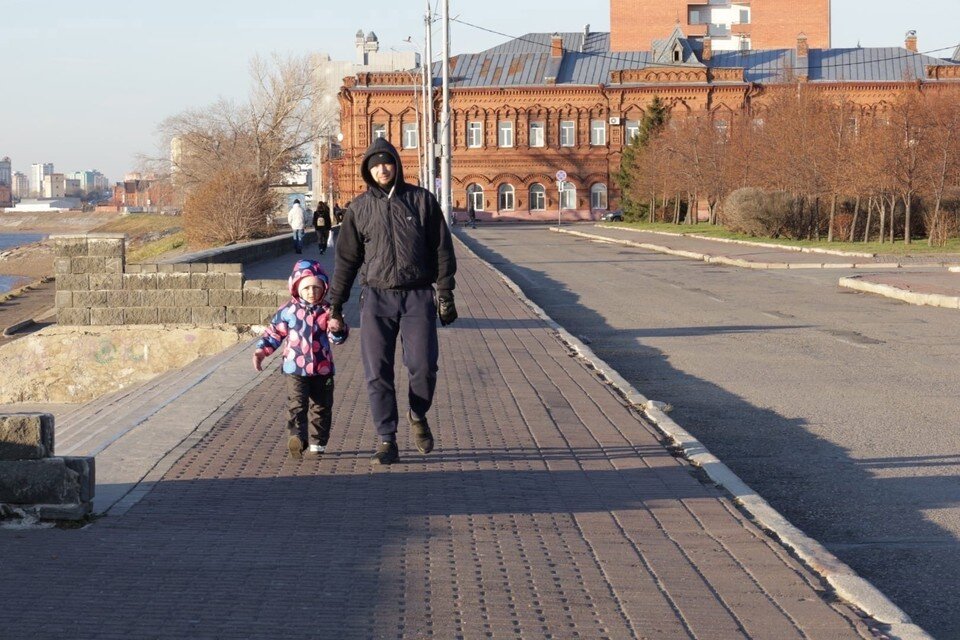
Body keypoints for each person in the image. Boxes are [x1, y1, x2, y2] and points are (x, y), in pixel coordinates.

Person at [327, 138, 457, 466]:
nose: (382, 169)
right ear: (367, 170)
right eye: (374, 165)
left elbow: (442, 249)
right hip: (376, 298)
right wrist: (335, 306)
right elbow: (346, 261)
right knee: (376, 371)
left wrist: (445, 292)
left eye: (386, 162)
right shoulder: (358, 209)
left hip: (417, 295)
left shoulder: (421, 201)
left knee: (424, 367)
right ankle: (387, 438)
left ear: (396, 164)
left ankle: (418, 412)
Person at [253, 259, 349, 459]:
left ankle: (318, 442)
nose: (311, 292)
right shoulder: (287, 311)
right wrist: (262, 351)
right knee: (297, 404)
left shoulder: (328, 311)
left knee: (321, 405)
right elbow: (274, 334)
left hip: (322, 368)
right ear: (296, 288)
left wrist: (338, 329)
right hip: (294, 368)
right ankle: (297, 437)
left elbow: (337, 339)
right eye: (306, 288)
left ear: (324, 288)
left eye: (316, 287)